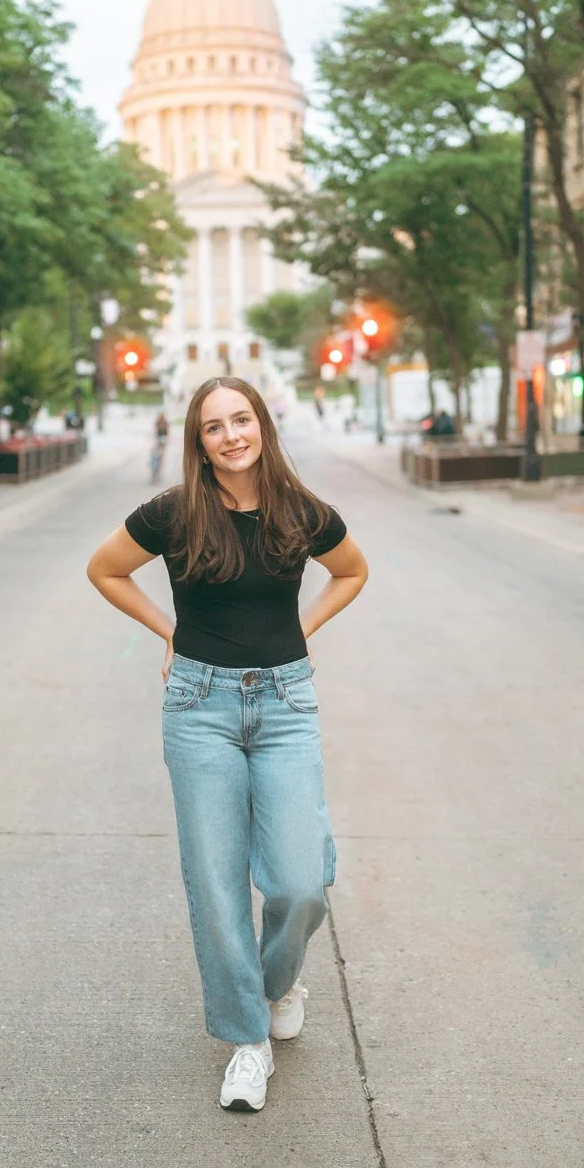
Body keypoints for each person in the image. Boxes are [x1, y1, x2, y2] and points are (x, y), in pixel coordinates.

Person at [86, 377, 368, 1113]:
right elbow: (105, 569)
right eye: (213, 427)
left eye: (241, 420)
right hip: (198, 706)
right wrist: (169, 631)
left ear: (263, 427)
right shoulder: (174, 514)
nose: (231, 435)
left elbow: (352, 571)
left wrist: (303, 629)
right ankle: (248, 1041)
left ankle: (276, 983)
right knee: (216, 885)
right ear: (199, 443)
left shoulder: (300, 512)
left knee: (300, 881)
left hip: (284, 702)